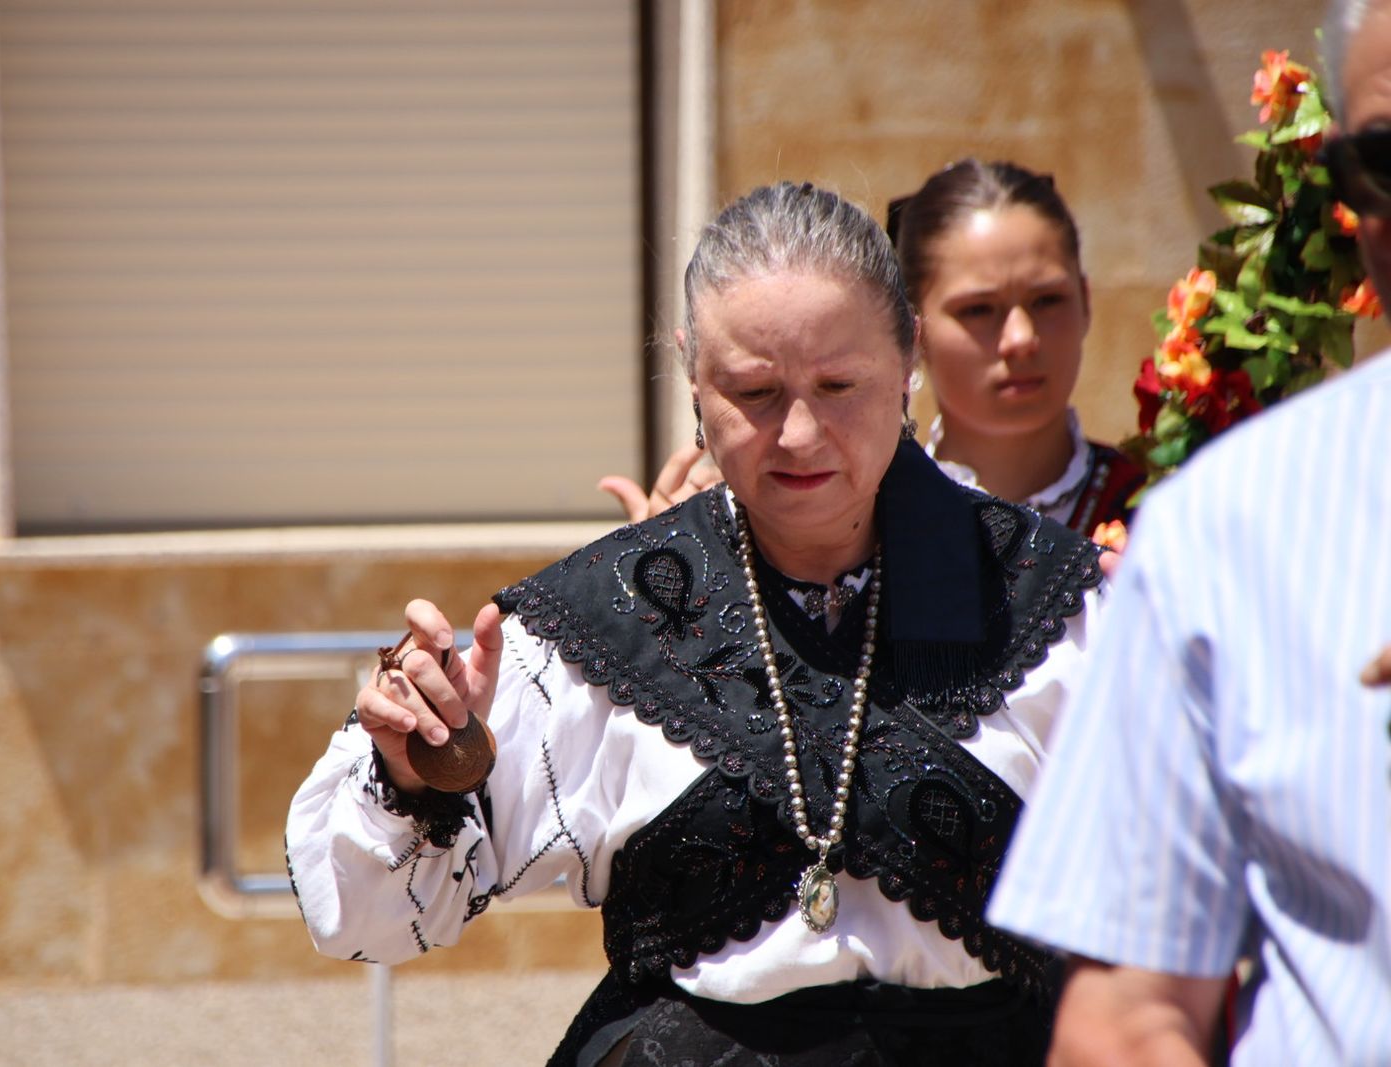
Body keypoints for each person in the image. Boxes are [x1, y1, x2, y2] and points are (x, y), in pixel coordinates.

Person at [287, 181, 1106, 1064]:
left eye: (839, 384)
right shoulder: (603, 623)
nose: (798, 433)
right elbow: (363, 918)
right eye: (754, 391)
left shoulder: (1055, 606)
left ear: (907, 356)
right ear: (691, 374)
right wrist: (419, 777)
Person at [984, 3, 1391, 1061]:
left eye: (1045, 302)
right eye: (1387, 160)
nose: (1017, 342)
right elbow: (1126, 1010)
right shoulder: (1225, 523)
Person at [599, 160, 1145, 540]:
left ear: (1087, 299)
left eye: (1048, 299)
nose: (1021, 337)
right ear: (914, 332)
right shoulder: (829, 512)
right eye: (978, 309)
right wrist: (678, 571)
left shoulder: (1166, 503)